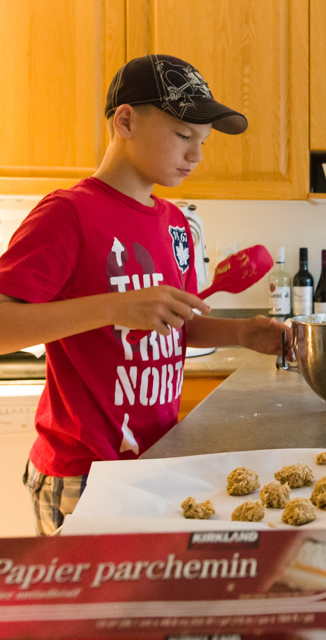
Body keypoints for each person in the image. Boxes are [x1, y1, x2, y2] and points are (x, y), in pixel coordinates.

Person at [0, 54, 287, 536]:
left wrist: (242, 332)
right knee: (91, 614)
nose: (196, 154)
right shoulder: (67, 214)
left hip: (156, 463)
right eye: (182, 135)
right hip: (83, 474)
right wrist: (114, 307)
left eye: (203, 141)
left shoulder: (176, 224)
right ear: (126, 120)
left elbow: (176, 323)